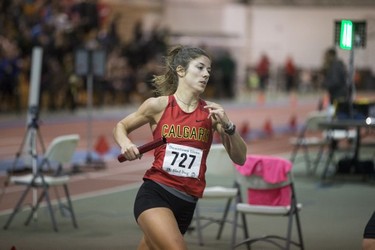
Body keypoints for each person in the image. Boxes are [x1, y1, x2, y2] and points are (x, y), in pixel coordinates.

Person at [113, 45, 247, 250]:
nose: (206, 75)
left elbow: (240, 158)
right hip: (155, 193)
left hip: (186, 204)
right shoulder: (159, 106)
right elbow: (121, 126)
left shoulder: (211, 113)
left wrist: (228, 127)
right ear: (181, 70)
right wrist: (126, 143)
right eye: (200, 68)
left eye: (209, 71)